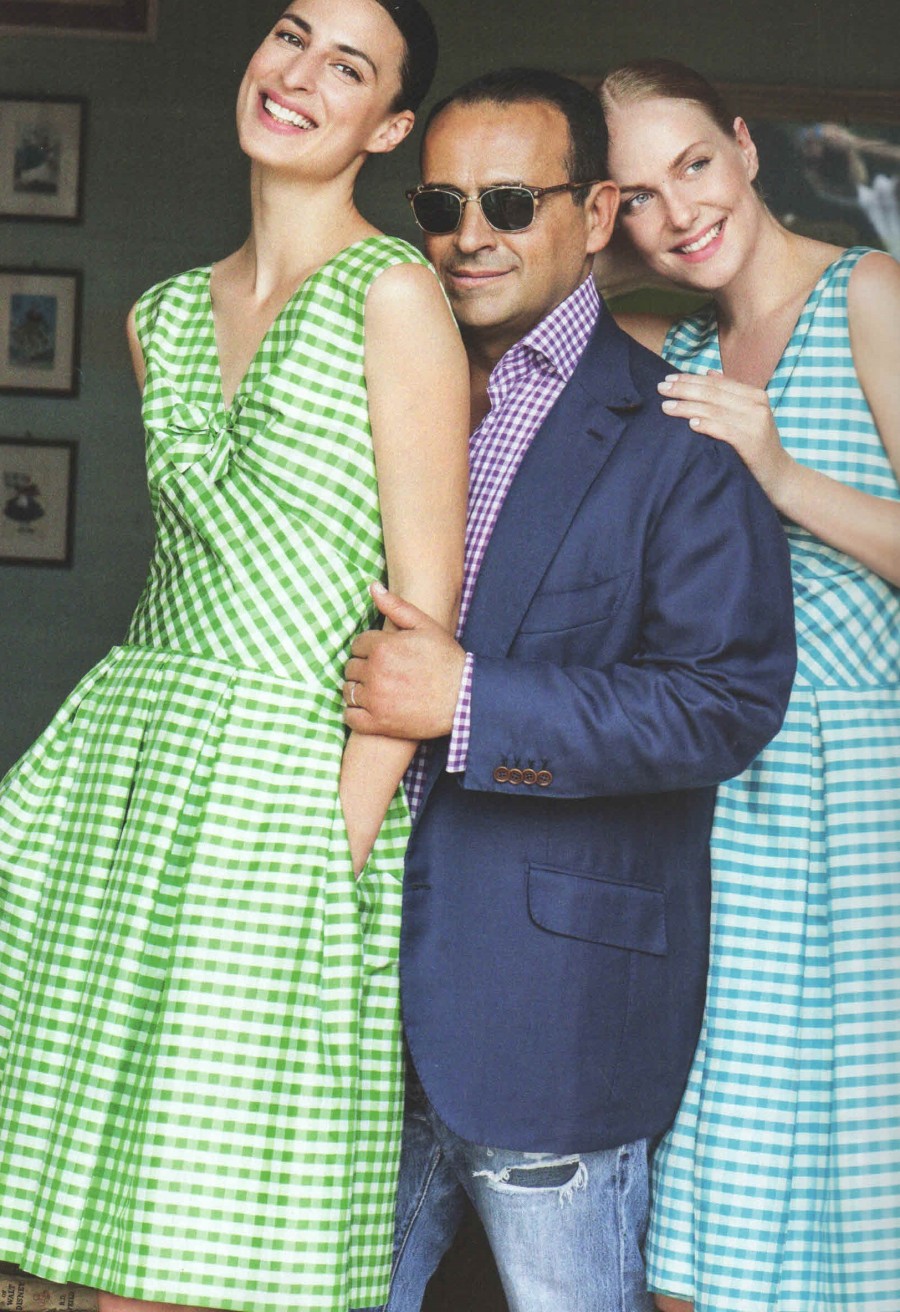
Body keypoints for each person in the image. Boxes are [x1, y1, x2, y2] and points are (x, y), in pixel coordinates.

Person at [0, 4, 468, 1312]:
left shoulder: (394, 296)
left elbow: (423, 619)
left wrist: (333, 846)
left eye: (347, 67)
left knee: (196, 1245)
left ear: (388, 127)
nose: (298, 74)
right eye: (289, 36)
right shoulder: (158, 314)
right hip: (121, 773)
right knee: (63, 1224)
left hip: (283, 790)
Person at [339, 67, 797, 1312]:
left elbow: (724, 701)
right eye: (441, 204)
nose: (469, 236)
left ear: (594, 214)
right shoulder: (364, 401)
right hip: (346, 1012)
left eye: (509, 201)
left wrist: (472, 702)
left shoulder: (680, 437)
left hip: (556, 1018)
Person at [595, 57, 900, 1312]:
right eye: (636, 195)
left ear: (745, 144)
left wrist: (781, 473)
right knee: (705, 1230)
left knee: (857, 1199)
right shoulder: (676, 345)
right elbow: (529, 306)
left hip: (865, 797)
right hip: (727, 803)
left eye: (695, 166)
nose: (680, 211)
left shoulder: (869, 293)